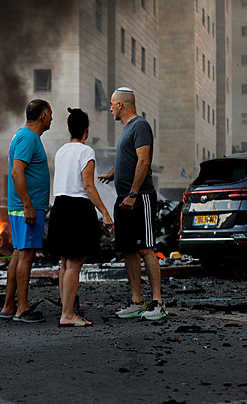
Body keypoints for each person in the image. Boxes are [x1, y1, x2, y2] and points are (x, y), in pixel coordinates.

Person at [98, 87, 167, 321]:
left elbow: (144, 160)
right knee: (128, 250)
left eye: (111, 104)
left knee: (146, 248)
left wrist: (133, 193)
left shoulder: (140, 126)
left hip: (140, 197)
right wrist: (113, 173)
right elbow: (130, 159)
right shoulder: (128, 129)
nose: (109, 109)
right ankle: (137, 302)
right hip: (124, 198)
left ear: (120, 105)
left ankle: (158, 303)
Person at [48, 107, 113, 327]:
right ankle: (67, 314)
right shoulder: (86, 152)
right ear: (86, 130)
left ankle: (67, 310)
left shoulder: (61, 151)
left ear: (68, 128)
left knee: (65, 263)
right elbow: (87, 185)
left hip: (59, 206)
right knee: (74, 264)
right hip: (77, 209)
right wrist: (105, 212)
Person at [0, 99, 52, 323]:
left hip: (24, 206)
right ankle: (22, 308)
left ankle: (9, 305)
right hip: (26, 208)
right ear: (43, 116)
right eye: (50, 114)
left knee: (19, 253)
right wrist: (28, 205)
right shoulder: (29, 138)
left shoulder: (24, 136)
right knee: (26, 255)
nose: (52, 118)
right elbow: (17, 173)